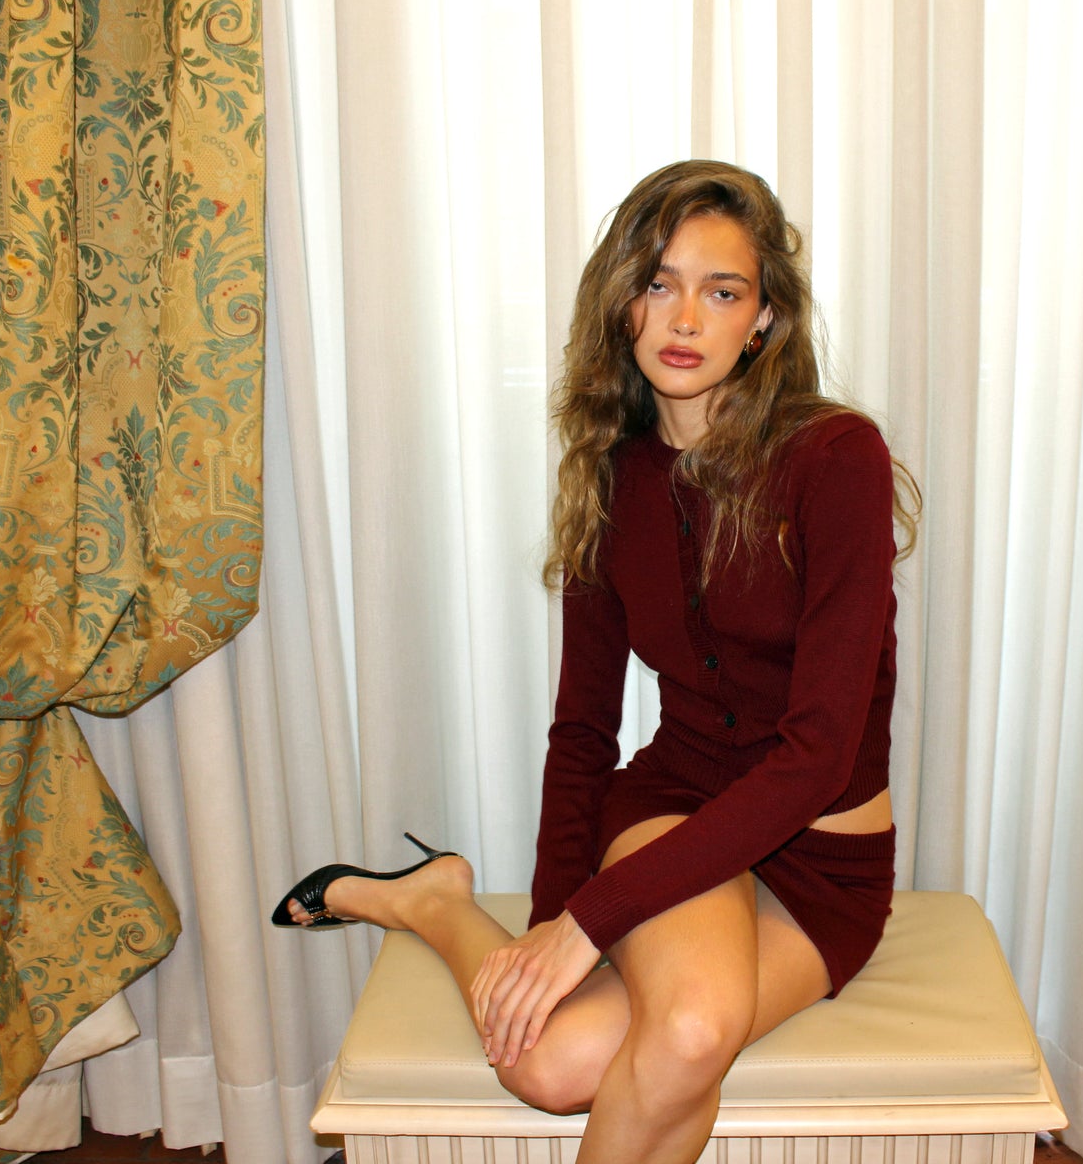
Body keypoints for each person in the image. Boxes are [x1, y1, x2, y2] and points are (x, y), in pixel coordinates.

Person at [274, 159, 919, 1164]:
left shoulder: (835, 459)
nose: (685, 318)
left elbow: (820, 754)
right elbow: (583, 732)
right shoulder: (613, 477)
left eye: (723, 292)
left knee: (583, 1060)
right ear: (623, 300)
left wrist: (589, 924)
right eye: (660, 283)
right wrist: (551, 926)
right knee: (571, 1052)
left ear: (764, 320)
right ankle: (442, 901)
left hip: (820, 864)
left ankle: (432, 903)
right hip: (677, 810)